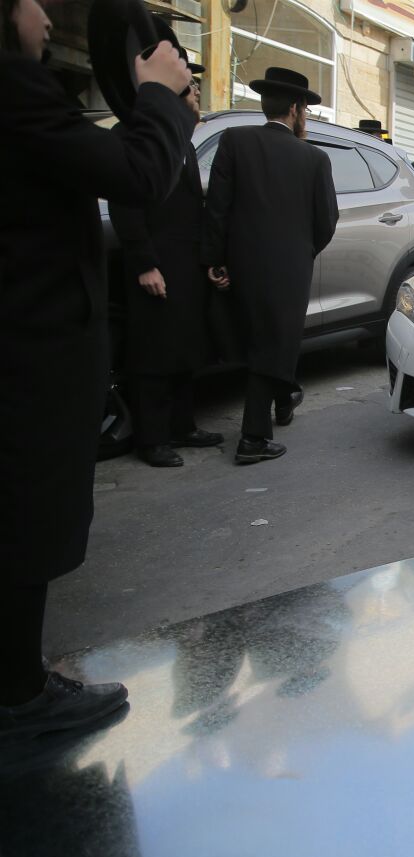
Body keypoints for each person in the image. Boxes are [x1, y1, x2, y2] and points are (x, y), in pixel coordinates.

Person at [0, 0, 195, 737]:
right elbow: (134, 173)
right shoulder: (15, 90)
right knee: (25, 516)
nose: (45, 15)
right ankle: (19, 696)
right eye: (30, 0)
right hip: (28, 349)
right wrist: (156, 95)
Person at [201, 66, 338, 465]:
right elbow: (326, 221)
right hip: (290, 267)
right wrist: (302, 252)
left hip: (241, 263)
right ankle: (252, 439)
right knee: (273, 344)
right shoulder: (314, 157)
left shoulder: (234, 140)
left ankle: (285, 399)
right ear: (296, 109)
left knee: (265, 341)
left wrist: (215, 258)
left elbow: (218, 207)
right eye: (306, 111)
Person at [109, 44, 222, 468]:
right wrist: (144, 263)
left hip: (184, 265)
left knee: (182, 349)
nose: (196, 92)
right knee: (153, 354)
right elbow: (126, 204)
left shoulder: (183, 142)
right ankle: (152, 439)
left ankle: (182, 426)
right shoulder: (134, 135)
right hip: (154, 264)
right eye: (191, 86)